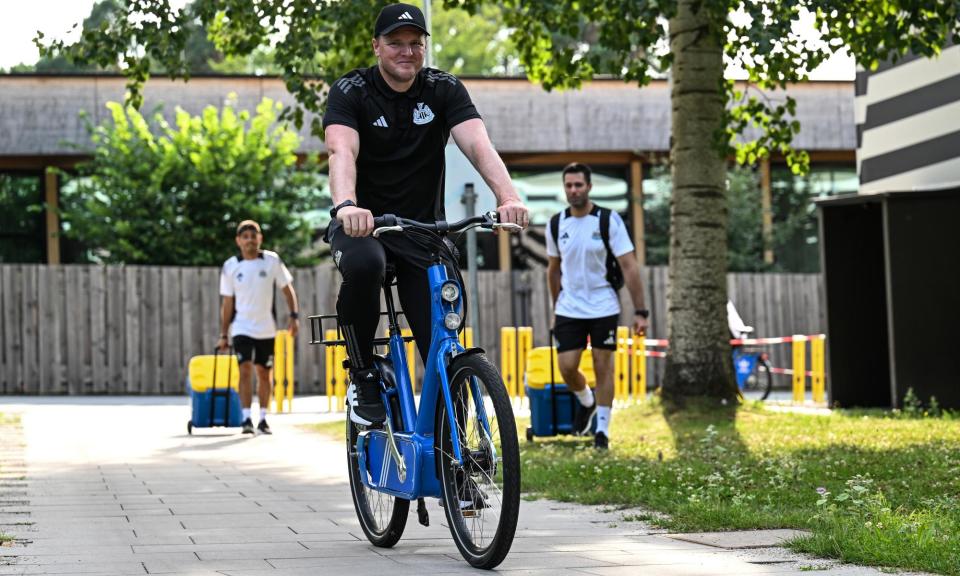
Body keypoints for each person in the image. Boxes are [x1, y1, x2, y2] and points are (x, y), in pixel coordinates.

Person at [322, 2, 529, 426]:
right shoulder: (351, 90)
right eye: (396, 43)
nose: (407, 51)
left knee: (445, 343)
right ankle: (362, 373)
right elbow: (341, 150)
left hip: (423, 232)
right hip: (365, 227)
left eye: (415, 43)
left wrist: (508, 196)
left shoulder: (443, 89)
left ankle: (461, 467)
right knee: (364, 267)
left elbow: (477, 145)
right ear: (377, 46)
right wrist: (347, 205)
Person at [545, 163, 649, 450]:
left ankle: (602, 431)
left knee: (603, 366)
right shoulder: (556, 224)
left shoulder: (608, 220)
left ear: (589, 187)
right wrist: (557, 307)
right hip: (569, 307)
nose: (573, 190)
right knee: (567, 367)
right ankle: (587, 401)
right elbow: (553, 270)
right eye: (568, 185)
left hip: (604, 304)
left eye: (578, 185)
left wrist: (641, 311)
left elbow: (629, 266)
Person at [218, 220, 300, 435]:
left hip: (266, 328)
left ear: (260, 238)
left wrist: (294, 316)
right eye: (245, 236)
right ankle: (246, 418)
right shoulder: (230, 266)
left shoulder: (271, 261)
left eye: (253, 235)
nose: (250, 240)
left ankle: (263, 419)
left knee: (264, 372)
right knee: (244, 369)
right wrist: (223, 334)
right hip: (241, 327)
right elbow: (227, 303)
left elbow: (287, 289)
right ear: (238, 241)